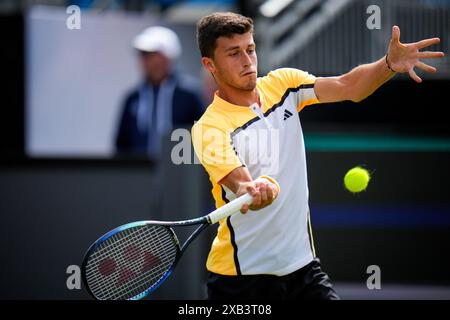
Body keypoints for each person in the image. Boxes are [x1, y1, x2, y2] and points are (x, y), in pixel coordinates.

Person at [191, 12, 444, 300]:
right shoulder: (209, 128)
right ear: (210, 64)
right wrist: (252, 189)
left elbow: (350, 86)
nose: (247, 61)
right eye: (234, 54)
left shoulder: (283, 84)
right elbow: (240, 184)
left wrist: (388, 65)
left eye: (250, 49)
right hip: (241, 281)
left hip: (303, 269)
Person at [115, 26, 204, 159]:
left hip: (179, 173)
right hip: (139, 173)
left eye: (151, 54)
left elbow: (205, 138)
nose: (145, 60)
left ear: (168, 57)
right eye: (142, 55)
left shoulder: (189, 94)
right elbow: (121, 144)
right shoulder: (133, 98)